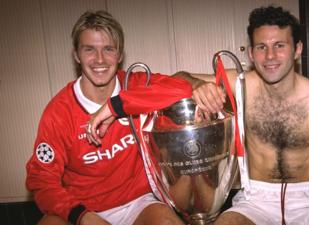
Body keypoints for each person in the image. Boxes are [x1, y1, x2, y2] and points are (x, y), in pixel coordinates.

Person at [174, 6, 309, 225]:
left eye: (279, 45)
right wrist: (198, 85)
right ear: (251, 53)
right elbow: (176, 78)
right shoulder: (240, 85)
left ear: (297, 49)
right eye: (262, 47)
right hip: (256, 199)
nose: (270, 56)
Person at [25, 10, 192, 225]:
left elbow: (183, 88)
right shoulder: (59, 112)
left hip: (137, 203)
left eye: (108, 49)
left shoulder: (135, 85)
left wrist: (118, 106)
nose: (100, 59)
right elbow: (41, 181)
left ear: (120, 55)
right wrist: (81, 216)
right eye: (89, 50)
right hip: (81, 208)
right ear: (76, 55)